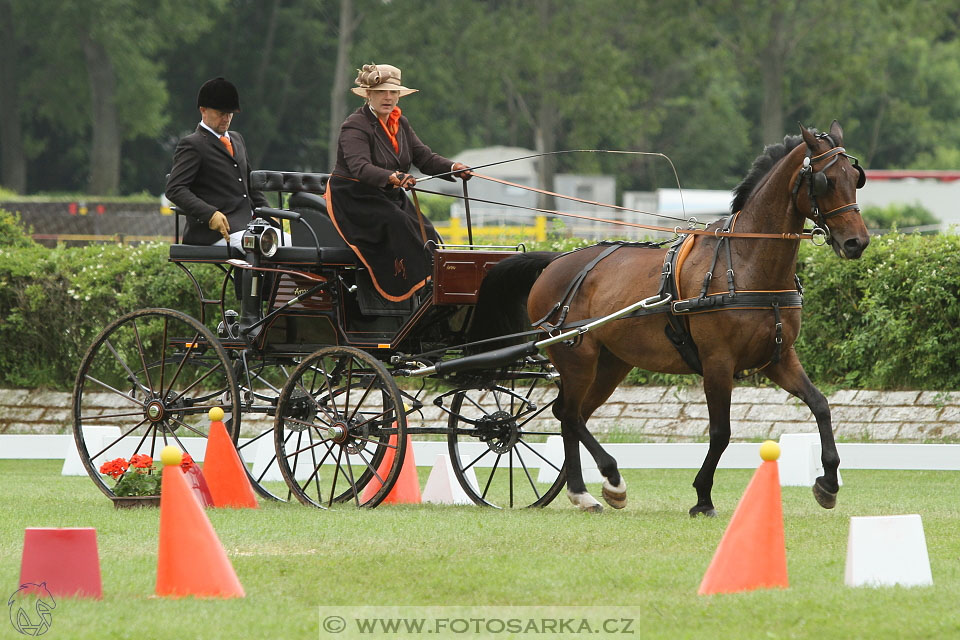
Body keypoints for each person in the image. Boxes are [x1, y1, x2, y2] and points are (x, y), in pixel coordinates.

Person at [327, 63, 471, 302]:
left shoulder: (400, 123)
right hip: (355, 198)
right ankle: (420, 291)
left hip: (389, 197)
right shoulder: (355, 125)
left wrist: (453, 167)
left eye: (393, 92)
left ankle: (441, 284)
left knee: (427, 230)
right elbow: (360, 167)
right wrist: (393, 177)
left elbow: (424, 158)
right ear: (368, 95)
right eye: (382, 92)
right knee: (400, 223)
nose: (388, 97)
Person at [165, 77, 272, 251]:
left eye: (230, 114)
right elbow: (175, 189)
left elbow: (250, 187)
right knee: (265, 248)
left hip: (250, 227)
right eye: (221, 114)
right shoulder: (192, 144)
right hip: (216, 231)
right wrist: (210, 214)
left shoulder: (237, 139)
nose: (226, 119)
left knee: (293, 245)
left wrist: (271, 217)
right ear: (203, 110)